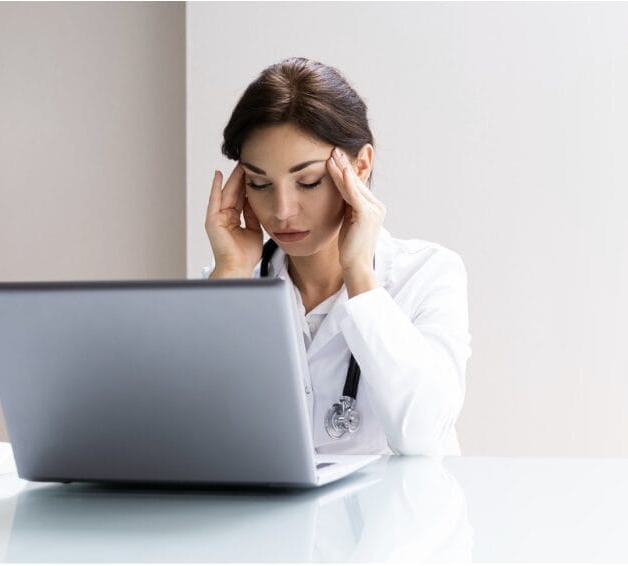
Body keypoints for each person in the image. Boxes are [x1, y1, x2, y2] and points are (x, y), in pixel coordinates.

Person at [200, 57, 470, 456]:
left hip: (395, 520)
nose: (282, 210)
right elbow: (191, 440)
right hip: (268, 520)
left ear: (359, 165)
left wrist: (359, 275)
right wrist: (230, 277)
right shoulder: (231, 283)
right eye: (259, 183)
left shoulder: (428, 274)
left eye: (308, 182)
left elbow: (423, 436)